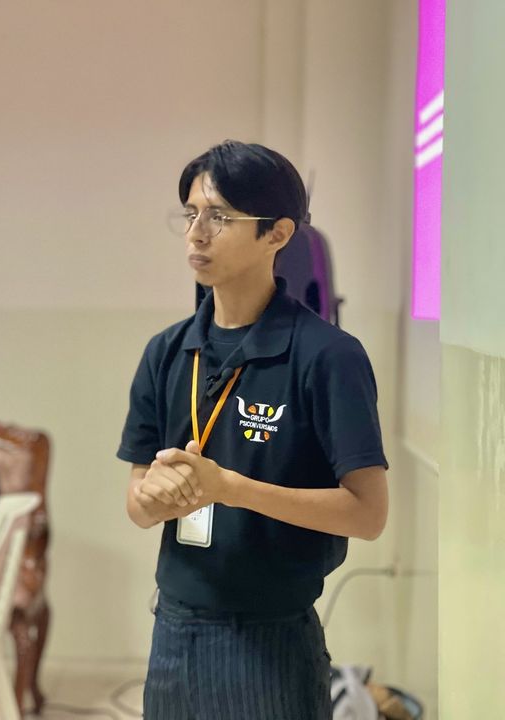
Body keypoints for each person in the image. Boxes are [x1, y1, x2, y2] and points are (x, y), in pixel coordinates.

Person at [118, 140, 389, 720]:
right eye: (191, 214)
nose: (196, 234)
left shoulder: (327, 356)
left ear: (277, 234)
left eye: (219, 216)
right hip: (173, 630)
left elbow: (368, 514)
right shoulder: (167, 351)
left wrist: (230, 489)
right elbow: (137, 508)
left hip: (271, 637)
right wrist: (156, 496)